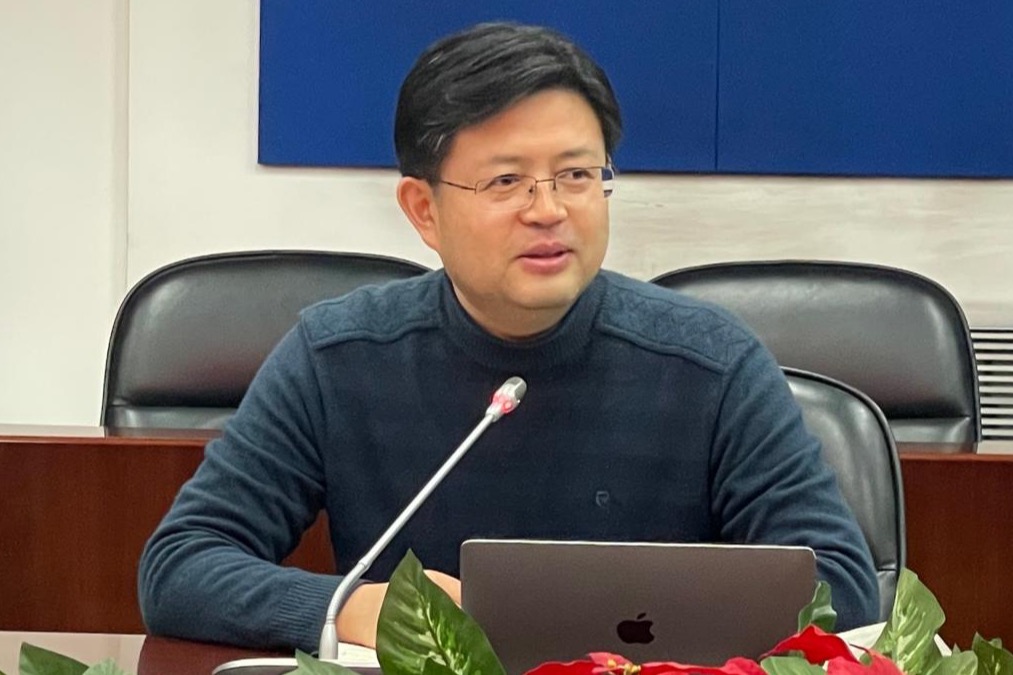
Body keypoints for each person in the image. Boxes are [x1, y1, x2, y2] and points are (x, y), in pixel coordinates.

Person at [138, 21, 878, 653]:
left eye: (576, 175)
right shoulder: (338, 357)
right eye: (505, 182)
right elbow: (181, 566)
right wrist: (358, 607)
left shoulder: (709, 364)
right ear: (423, 210)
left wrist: (641, 624)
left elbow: (842, 588)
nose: (547, 209)